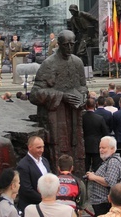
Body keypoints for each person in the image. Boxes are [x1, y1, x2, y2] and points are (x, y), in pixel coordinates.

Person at [30, 30, 88, 173]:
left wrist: (83, 95)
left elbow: (83, 85)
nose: (69, 48)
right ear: (59, 44)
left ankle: (77, 181)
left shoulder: (77, 62)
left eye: (72, 45)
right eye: (66, 45)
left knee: (77, 151)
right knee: (59, 150)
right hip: (56, 118)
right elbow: (35, 94)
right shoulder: (49, 64)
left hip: (75, 116)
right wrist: (61, 96)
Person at [85, 136, 121, 216]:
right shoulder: (108, 161)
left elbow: (110, 181)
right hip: (103, 203)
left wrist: (93, 177)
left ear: (112, 148)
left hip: (105, 203)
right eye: (100, 147)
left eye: (103, 148)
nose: (101, 150)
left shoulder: (113, 162)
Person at [17, 136, 51, 214]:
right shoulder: (23, 165)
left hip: (45, 206)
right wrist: (44, 199)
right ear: (30, 147)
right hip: (31, 207)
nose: (42, 150)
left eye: (43, 147)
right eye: (38, 147)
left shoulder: (45, 161)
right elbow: (26, 190)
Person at [83, 98, 109, 172]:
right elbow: (105, 132)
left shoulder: (82, 118)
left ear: (86, 106)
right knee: (97, 166)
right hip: (96, 144)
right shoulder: (99, 118)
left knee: (86, 165)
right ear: (95, 105)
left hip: (85, 144)